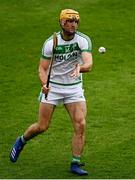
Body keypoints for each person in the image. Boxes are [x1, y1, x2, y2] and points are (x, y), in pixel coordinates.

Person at [10, 9, 93, 176]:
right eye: (69, 21)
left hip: (74, 88)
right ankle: (22, 140)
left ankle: (75, 163)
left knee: (80, 124)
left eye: (76, 21)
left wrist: (80, 67)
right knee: (42, 126)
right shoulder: (51, 43)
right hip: (53, 88)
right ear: (62, 23)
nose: (73, 24)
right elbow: (42, 68)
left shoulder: (82, 40)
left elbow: (88, 64)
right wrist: (44, 85)